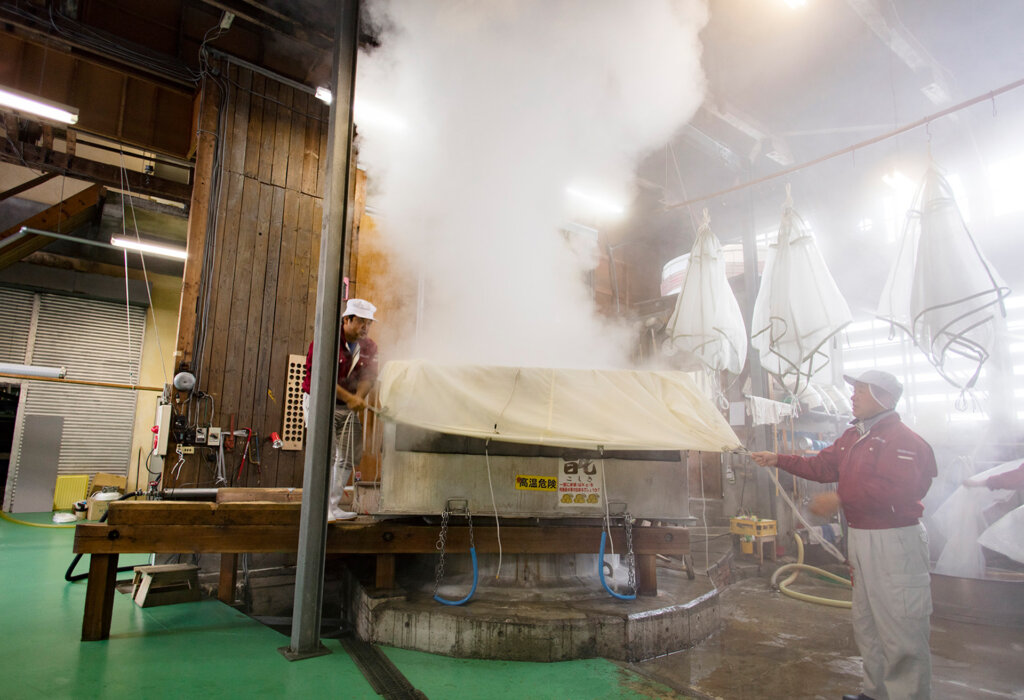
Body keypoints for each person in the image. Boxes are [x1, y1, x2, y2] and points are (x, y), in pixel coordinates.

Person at [750, 369, 937, 700]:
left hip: (894, 540)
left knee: (900, 623)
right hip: (862, 536)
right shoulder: (854, 437)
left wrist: (841, 498)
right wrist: (778, 459)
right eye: (855, 390)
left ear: (885, 398)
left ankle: (906, 695)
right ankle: (876, 691)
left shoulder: (904, 441)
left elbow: (900, 489)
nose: (853, 396)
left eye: (862, 391)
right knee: (868, 621)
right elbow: (822, 466)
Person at [301, 298, 379, 522]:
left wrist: (358, 397)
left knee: (347, 456)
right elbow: (321, 376)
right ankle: (320, 508)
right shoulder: (326, 339)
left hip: (347, 406)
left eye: (369, 323)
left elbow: (369, 376)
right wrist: (351, 398)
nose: (366, 328)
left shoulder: (370, 346)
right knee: (325, 453)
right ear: (347, 319)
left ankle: (332, 506)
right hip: (321, 401)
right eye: (362, 322)